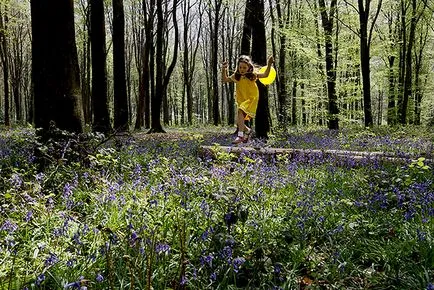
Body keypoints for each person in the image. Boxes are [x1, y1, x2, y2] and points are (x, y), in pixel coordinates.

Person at [222, 55, 274, 144]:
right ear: (238, 67)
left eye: (244, 68)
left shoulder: (253, 76)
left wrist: (269, 64)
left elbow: (265, 75)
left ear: (249, 67)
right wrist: (224, 69)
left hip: (251, 98)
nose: (242, 69)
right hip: (242, 100)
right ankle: (247, 131)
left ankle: (240, 136)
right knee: (239, 121)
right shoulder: (236, 76)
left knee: (240, 112)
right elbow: (225, 79)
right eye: (240, 67)